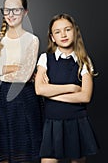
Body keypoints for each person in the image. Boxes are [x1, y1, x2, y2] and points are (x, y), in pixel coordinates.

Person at [0, 0, 43, 163]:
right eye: (7, 10)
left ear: (25, 12)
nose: (11, 15)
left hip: (24, 98)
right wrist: (11, 67)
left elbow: (25, 75)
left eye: (16, 10)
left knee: (23, 150)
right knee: (2, 150)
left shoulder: (32, 40)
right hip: (0, 97)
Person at [35, 13, 100, 163]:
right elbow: (39, 90)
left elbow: (85, 97)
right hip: (52, 121)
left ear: (75, 32)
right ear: (52, 37)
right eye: (57, 32)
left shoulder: (84, 61)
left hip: (77, 122)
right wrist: (71, 87)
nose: (63, 35)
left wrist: (50, 93)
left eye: (67, 30)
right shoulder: (45, 58)